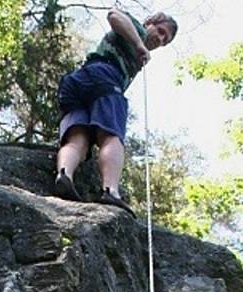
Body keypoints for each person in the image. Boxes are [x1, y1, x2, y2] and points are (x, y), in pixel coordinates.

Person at [54, 9, 177, 216]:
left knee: (78, 138)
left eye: (165, 40)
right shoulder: (137, 29)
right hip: (105, 77)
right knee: (111, 135)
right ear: (151, 23)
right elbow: (114, 15)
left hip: (79, 82)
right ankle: (111, 191)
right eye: (161, 31)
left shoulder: (139, 55)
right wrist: (139, 44)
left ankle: (64, 175)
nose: (161, 39)